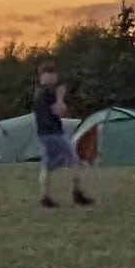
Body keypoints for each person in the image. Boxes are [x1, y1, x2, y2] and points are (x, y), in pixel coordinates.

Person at [33, 66, 91, 206]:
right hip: (54, 133)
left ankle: (44, 197)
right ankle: (77, 194)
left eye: (53, 74)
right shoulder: (49, 94)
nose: (52, 77)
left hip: (43, 134)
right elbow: (60, 111)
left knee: (47, 166)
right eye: (49, 74)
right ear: (43, 77)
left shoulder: (39, 94)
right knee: (74, 160)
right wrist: (60, 96)